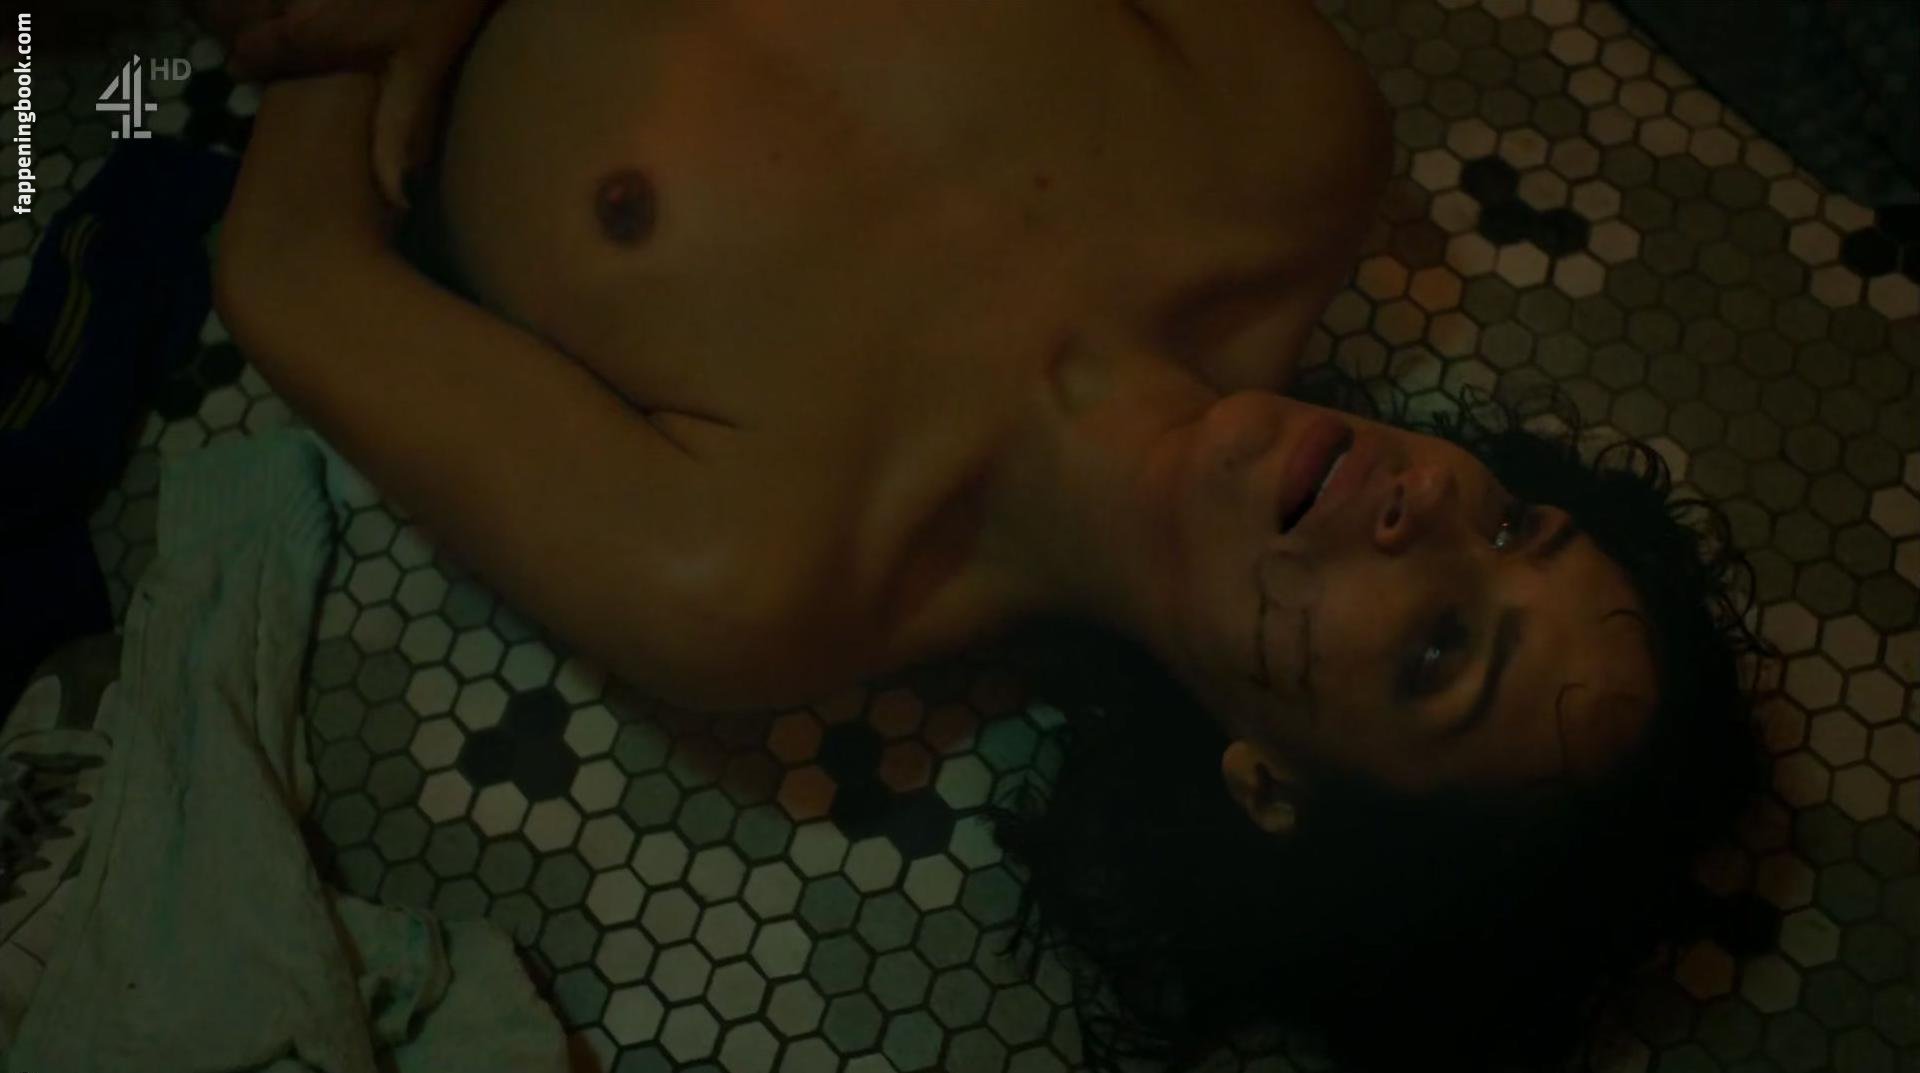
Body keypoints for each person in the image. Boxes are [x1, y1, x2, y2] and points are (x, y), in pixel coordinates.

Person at [208, 0, 1773, 1068]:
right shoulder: (1291, 134)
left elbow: (291, 268)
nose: (1428, 507)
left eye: (1436, 648)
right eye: (1515, 524)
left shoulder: (757, 575)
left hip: (190, 58)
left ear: (1269, 786)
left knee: (79, 85)